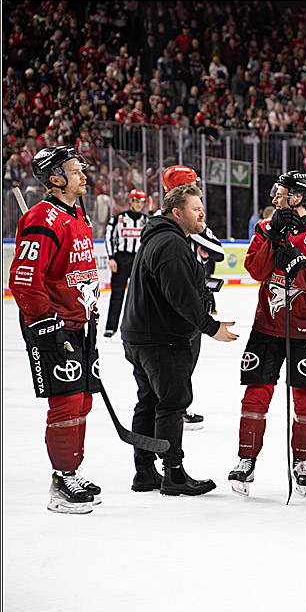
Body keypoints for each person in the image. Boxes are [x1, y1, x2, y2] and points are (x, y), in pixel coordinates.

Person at [227, 172, 306, 496]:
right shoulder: (266, 228)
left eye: (281, 193)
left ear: (298, 198)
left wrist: (299, 270)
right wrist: (274, 238)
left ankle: (302, 461)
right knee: (255, 394)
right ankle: (246, 459)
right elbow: (256, 270)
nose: (275, 198)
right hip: (266, 327)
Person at [121, 183, 238, 495]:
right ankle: (173, 473)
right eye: (195, 209)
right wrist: (210, 327)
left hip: (142, 335)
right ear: (177, 212)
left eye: (202, 208)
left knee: (149, 402)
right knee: (172, 404)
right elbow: (181, 296)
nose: (202, 214)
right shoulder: (171, 244)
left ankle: (144, 472)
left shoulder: (161, 238)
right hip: (162, 338)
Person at [10, 146, 103, 514]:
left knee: (84, 400)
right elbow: (23, 280)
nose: (83, 176)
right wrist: (46, 323)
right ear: (55, 179)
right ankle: (62, 480)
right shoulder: (41, 218)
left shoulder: (78, 214)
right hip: (53, 325)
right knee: (65, 402)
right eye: (75, 171)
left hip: (81, 323)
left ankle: (72, 471)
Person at [159, 165, 222, 430]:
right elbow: (215, 249)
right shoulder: (175, 220)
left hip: (185, 296)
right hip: (181, 298)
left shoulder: (172, 218)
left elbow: (218, 252)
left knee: (185, 356)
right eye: (194, 184)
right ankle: (172, 411)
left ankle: (174, 409)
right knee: (179, 357)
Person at [103, 188, 147, 337]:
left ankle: (140, 327)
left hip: (139, 259)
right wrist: (111, 257)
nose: (139, 205)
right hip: (122, 259)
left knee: (141, 295)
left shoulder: (147, 220)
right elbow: (109, 237)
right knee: (117, 293)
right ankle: (111, 327)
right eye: (136, 201)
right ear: (130, 202)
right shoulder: (118, 219)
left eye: (142, 202)